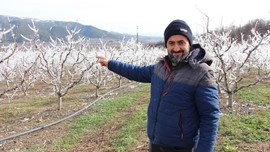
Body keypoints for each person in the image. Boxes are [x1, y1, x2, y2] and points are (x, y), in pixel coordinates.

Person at [96, 19, 220, 152]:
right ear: (166, 45)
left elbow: (210, 117)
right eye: (171, 43)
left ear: (189, 43)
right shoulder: (160, 67)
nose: (176, 48)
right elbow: (135, 72)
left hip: (182, 147)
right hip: (156, 142)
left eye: (181, 42)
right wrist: (110, 63)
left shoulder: (201, 73)